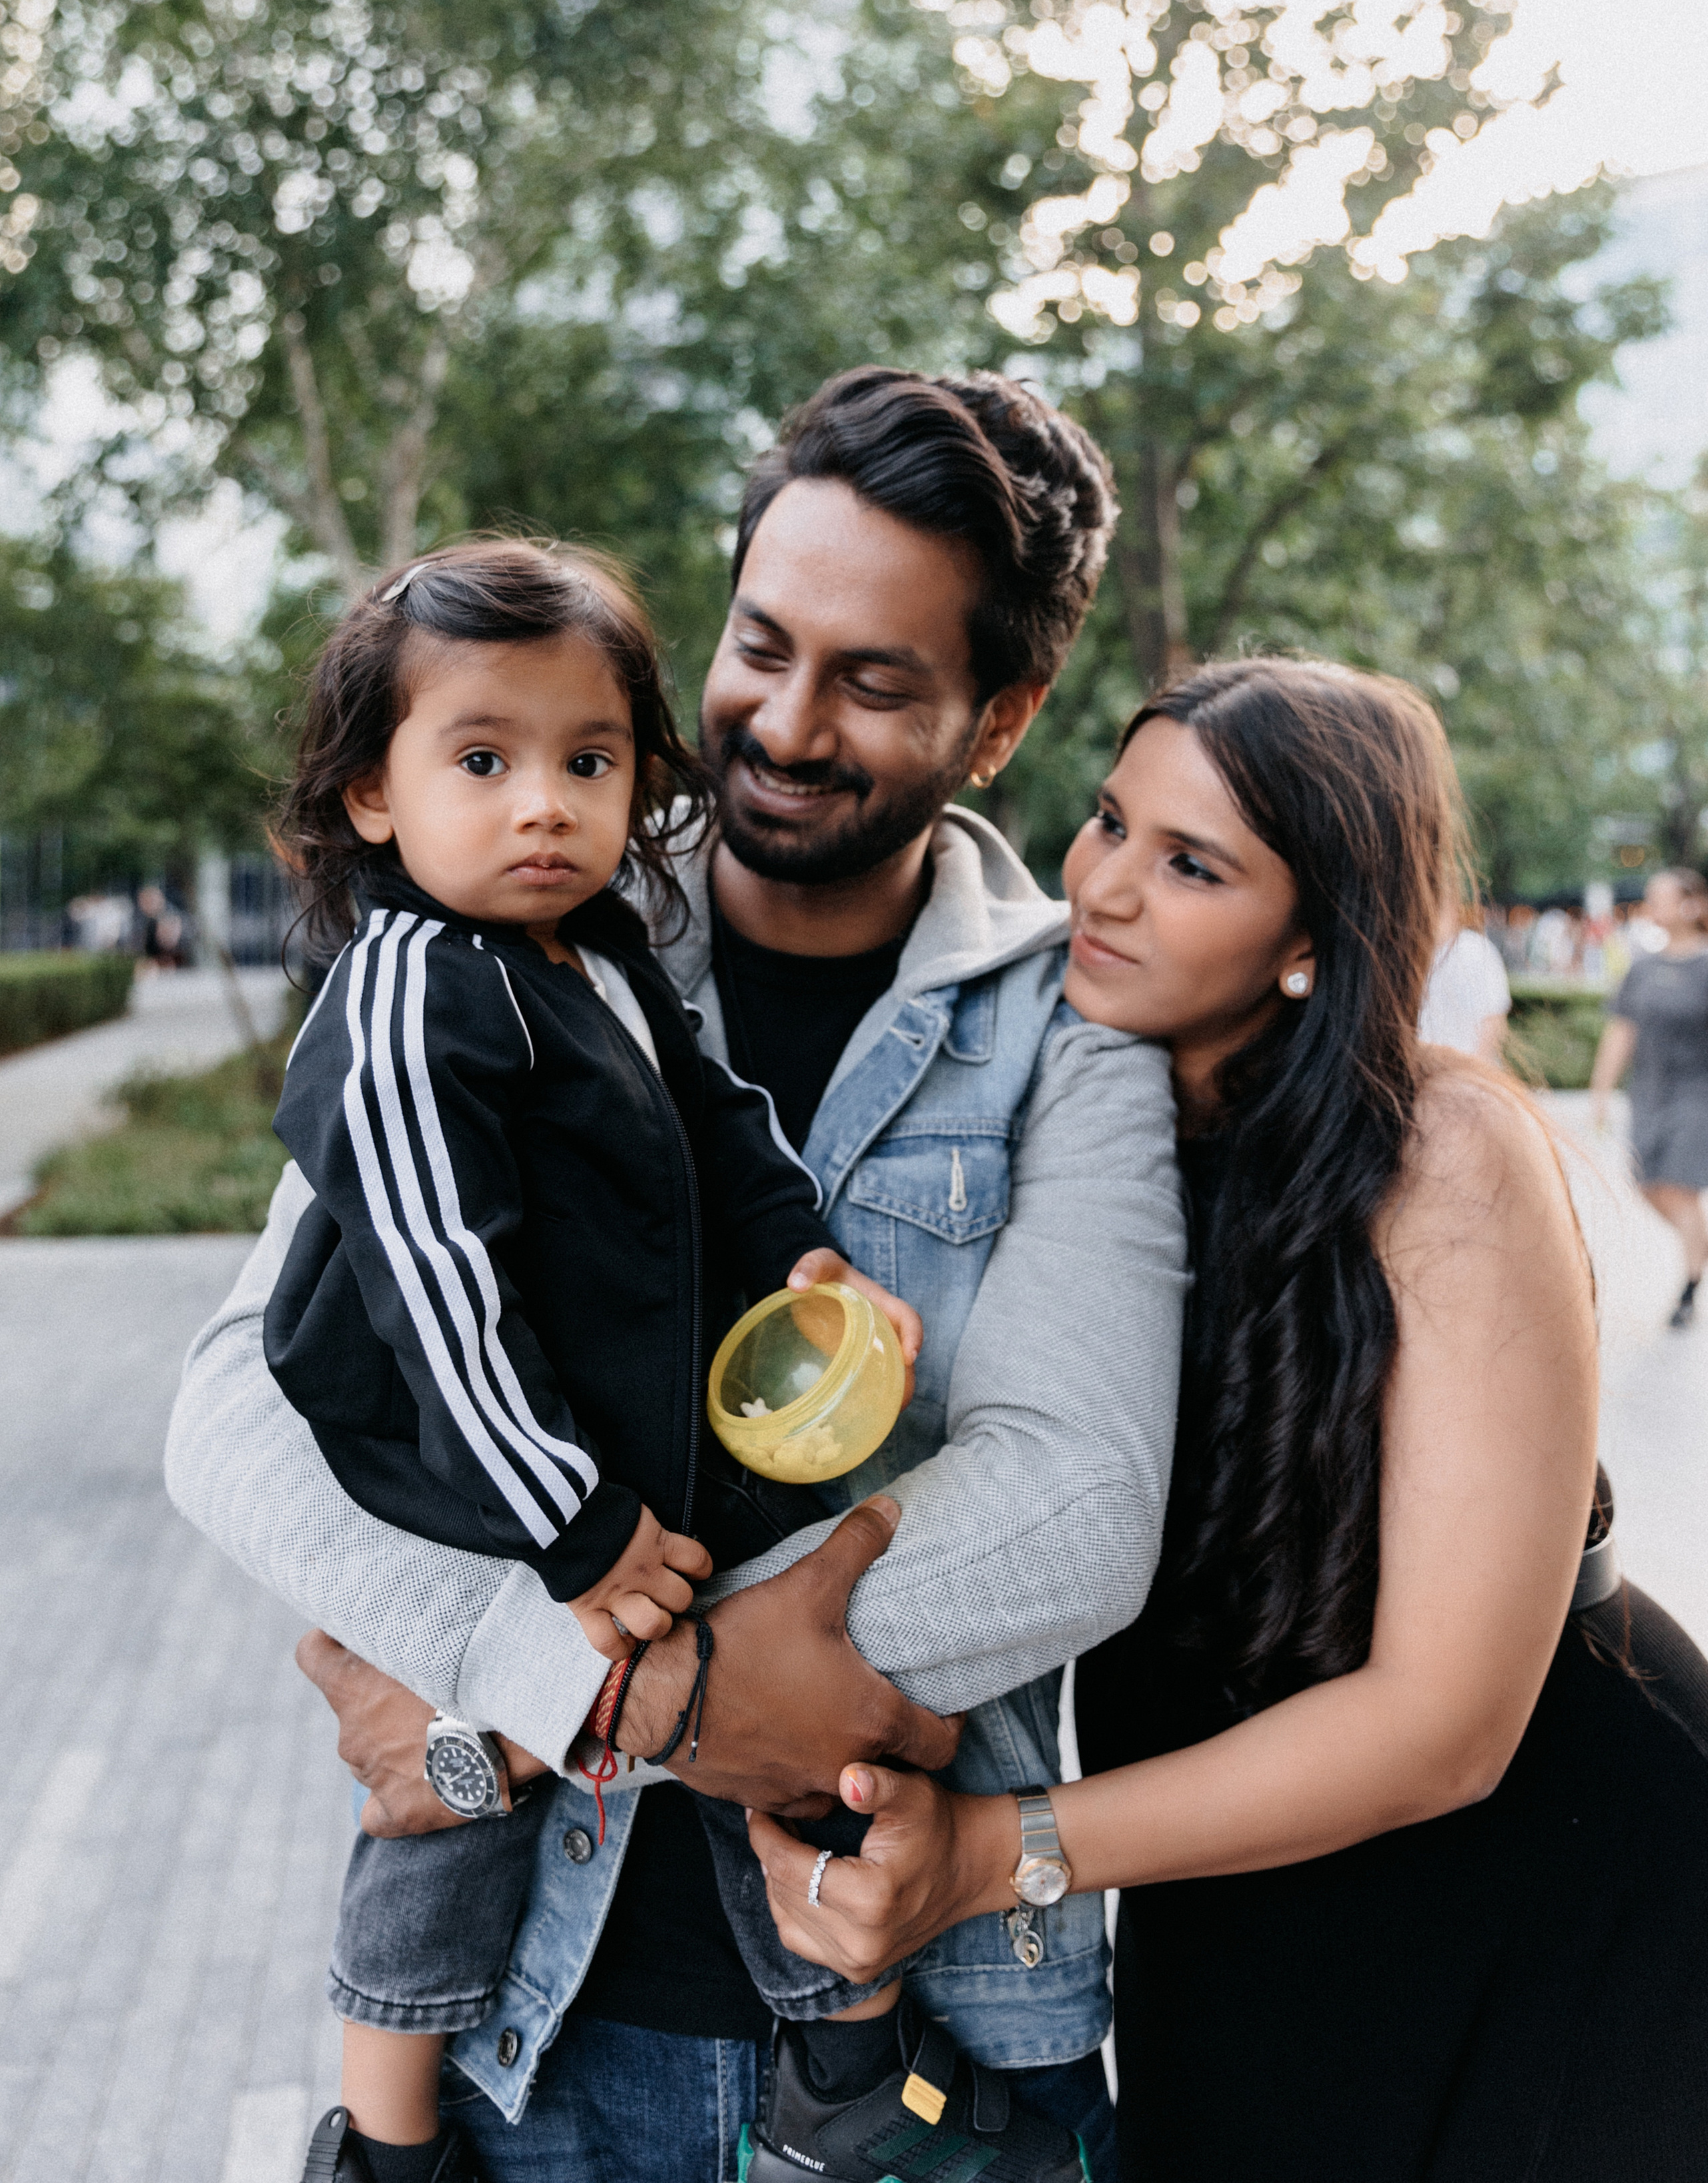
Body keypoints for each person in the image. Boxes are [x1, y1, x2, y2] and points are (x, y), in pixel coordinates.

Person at [165, 367, 1188, 2183]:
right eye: (760, 645)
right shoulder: (511, 929)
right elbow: (237, 1410)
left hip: (927, 2031)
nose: (783, 722)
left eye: (873, 680)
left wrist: (550, 1698)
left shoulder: (1067, 1026)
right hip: (528, 2044)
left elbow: (1080, 1508)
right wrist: (576, 1680)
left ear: (1000, 720)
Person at [750, 656, 1708, 2183]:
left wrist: (998, 1852)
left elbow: (1446, 1728)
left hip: (1541, 1880)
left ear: (1313, 939)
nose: (1104, 888)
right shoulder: (1071, 1103)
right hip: (1224, 1870)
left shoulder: (1438, 1151)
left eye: (1190, 864)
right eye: (1106, 822)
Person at [260, 537, 942, 2182]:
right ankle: (388, 2141)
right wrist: (569, 1527)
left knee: (771, 1725)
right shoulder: (407, 992)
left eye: (587, 761)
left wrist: (801, 1252)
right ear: (372, 794)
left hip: (603, 1460)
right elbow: (437, 1288)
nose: (543, 806)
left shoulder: (600, 958)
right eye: (481, 762)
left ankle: (843, 2059)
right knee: (450, 1807)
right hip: (463, 1472)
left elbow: (719, 1121)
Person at [1591, 865, 1708, 1328]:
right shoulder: (1641, 967)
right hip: (1649, 1093)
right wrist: (1601, 1089)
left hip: (1697, 1095)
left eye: (1662, 897)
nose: (1653, 906)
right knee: (1646, 1185)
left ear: (1691, 905)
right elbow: (1622, 1031)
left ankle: (1689, 1286)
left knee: (1680, 1187)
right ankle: (1698, 1243)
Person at [1418, 888, 1509, 1061]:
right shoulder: (1417, 955)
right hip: (1431, 1067)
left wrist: (1474, 1066)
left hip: (1465, 1067)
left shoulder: (1475, 949)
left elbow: (1494, 1018)